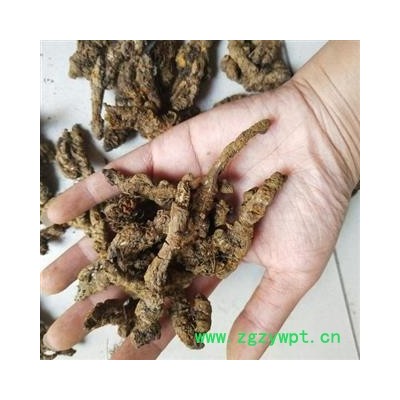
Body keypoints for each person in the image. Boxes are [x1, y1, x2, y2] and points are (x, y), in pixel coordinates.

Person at [40, 41, 359, 360]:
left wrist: (326, 114)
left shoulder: (194, 228)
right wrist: (327, 114)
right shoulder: (170, 247)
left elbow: (181, 224)